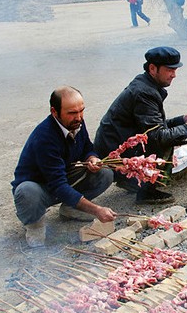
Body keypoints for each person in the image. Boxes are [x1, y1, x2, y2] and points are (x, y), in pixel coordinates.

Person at [94, 46, 187, 205]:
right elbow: (157, 136)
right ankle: (146, 192)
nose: (174, 75)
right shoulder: (144, 92)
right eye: (169, 70)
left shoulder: (146, 84)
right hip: (115, 148)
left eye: (175, 70)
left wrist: (181, 120)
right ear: (153, 68)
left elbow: (152, 125)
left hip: (117, 141)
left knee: (170, 134)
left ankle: (130, 180)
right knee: (166, 142)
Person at [11, 86, 116, 248]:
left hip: (62, 177)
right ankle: (34, 225)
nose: (79, 117)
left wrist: (92, 158)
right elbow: (58, 186)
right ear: (54, 112)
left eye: (81, 111)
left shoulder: (76, 123)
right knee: (26, 191)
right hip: (41, 188)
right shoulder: (45, 137)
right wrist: (97, 210)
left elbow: (87, 147)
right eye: (72, 113)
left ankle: (70, 208)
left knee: (105, 173)